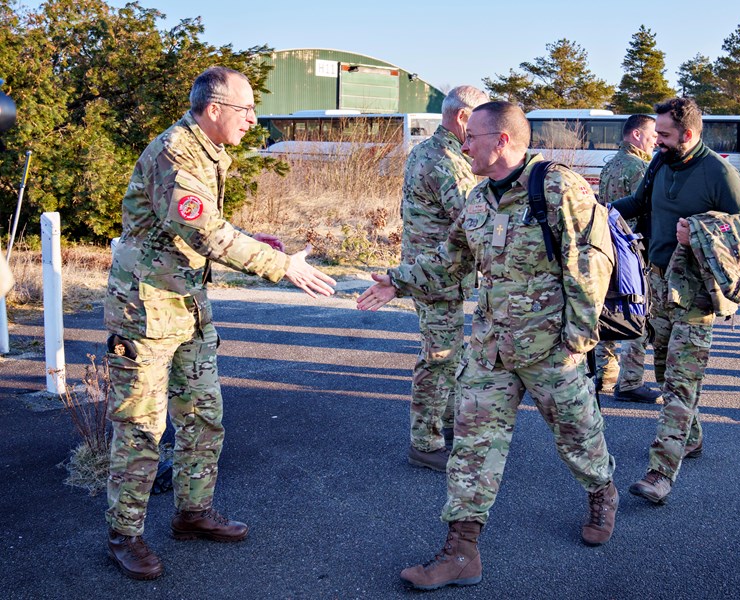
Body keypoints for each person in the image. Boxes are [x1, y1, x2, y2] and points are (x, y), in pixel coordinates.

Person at [357, 101, 617, 590]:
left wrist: (578, 343)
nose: (464, 143)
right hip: (492, 348)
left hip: (550, 348)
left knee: (577, 434)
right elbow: (449, 259)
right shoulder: (479, 198)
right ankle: (461, 552)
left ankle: (602, 490)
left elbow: (591, 266)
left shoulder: (560, 188)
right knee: (474, 446)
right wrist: (398, 280)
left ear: (500, 140)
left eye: (472, 136)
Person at [103, 66, 337, 580]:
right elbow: (203, 230)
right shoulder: (174, 153)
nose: (253, 119)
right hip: (146, 309)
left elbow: (206, 225)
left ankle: (192, 514)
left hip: (187, 303)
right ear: (214, 110)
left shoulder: (206, 151)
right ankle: (124, 535)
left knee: (203, 414)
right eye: (245, 109)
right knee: (141, 426)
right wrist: (282, 267)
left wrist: (261, 243)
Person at [612, 97, 740, 503]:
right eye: (656, 134)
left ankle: (660, 472)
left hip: (695, 296)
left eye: (665, 135)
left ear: (687, 136)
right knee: (663, 370)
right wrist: (595, 211)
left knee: (679, 383)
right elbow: (638, 204)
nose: (657, 140)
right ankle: (690, 437)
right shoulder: (659, 163)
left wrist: (706, 232)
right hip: (657, 287)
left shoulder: (719, 174)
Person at [401, 85, 488, 472]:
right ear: (464, 117)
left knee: (451, 351)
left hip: (435, 270)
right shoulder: (446, 161)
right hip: (435, 273)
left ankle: (449, 423)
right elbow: (474, 218)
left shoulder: (430, 151)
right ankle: (426, 441)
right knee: (440, 356)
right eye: (480, 120)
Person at [596, 113, 660, 403]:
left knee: (608, 308)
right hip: (634, 252)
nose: (655, 141)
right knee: (637, 311)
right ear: (636, 135)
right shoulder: (641, 167)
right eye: (651, 136)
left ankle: (605, 371)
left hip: (609, 246)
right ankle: (631, 380)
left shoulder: (610, 164)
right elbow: (647, 208)